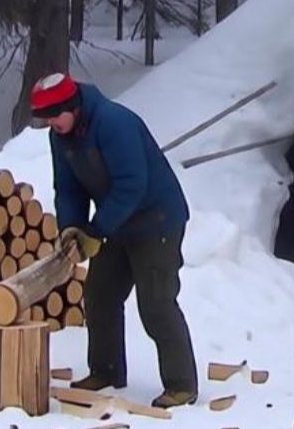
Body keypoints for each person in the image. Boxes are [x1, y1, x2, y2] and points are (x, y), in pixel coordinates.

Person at [29, 71, 199, 408]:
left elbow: (132, 184)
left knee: (156, 304)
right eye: (45, 119)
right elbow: (68, 187)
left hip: (157, 222)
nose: (52, 124)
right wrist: (73, 228)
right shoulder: (60, 136)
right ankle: (105, 371)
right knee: (99, 296)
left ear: (73, 105)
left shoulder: (113, 123)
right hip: (117, 223)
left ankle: (181, 384)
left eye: (54, 116)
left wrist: (96, 230)